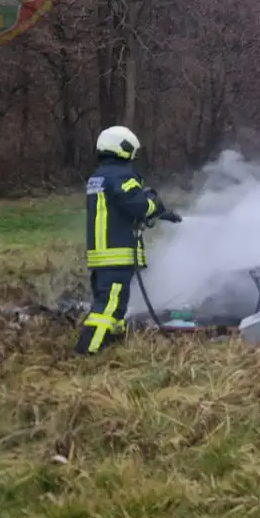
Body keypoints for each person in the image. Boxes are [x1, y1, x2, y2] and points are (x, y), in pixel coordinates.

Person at [76, 126, 182, 355]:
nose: (133, 155)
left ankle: (110, 341)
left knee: (114, 301)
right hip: (117, 252)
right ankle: (87, 350)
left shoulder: (99, 177)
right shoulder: (121, 176)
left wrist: (164, 215)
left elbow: (122, 208)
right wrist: (153, 199)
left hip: (102, 253)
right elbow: (140, 206)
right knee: (109, 305)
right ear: (122, 148)